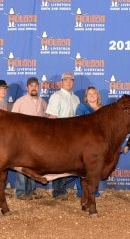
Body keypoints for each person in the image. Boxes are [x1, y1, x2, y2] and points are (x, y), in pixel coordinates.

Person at [11, 77, 48, 200]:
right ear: (27, 88)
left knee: (33, 165)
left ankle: (31, 191)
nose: (34, 88)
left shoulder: (43, 102)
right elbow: (13, 121)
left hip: (38, 141)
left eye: (36, 85)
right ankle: (21, 192)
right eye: (31, 85)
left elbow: (47, 121)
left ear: (39, 87)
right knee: (21, 164)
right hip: (22, 140)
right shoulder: (20, 102)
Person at [46, 71, 80, 200]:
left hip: (73, 137)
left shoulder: (76, 98)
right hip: (59, 135)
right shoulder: (56, 96)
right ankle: (58, 191)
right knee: (58, 162)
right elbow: (52, 118)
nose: (69, 82)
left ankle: (63, 189)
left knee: (67, 163)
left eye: (71, 80)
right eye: (66, 80)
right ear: (61, 82)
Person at [74, 86, 102, 198]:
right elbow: (78, 124)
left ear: (97, 96)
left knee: (96, 167)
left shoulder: (103, 109)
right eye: (89, 94)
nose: (91, 96)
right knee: (81, 166)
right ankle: (81, 191)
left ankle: (94, 191)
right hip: (83, 141)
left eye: (94, 93)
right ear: (86, 96)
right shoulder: (81, 107)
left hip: (98, 143)